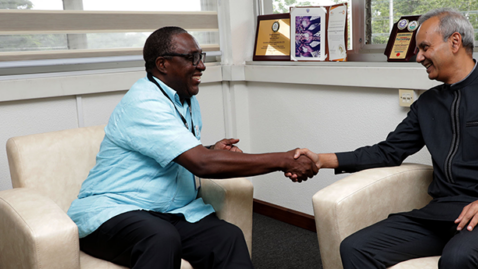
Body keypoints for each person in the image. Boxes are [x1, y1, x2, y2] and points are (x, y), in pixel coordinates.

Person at [296, 8, 478, 269]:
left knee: (458, 257)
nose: (418, 57)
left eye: (424, 47)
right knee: (355, 247)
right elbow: (387, 152)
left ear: (455, 42)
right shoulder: (428, 103)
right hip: (444, 212)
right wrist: (320, 160)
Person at [67, 26, 318, 269]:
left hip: (169, 212)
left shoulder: (184, 97)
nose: (201, 65)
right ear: (163, 64)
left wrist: (210, 148)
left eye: (201, 56)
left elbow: (176, 150)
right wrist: (284, 160)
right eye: (192, 58)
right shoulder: (144, 103)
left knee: (227, 238)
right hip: (115, 211)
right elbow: (201, 164)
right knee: (160, 238)